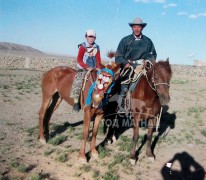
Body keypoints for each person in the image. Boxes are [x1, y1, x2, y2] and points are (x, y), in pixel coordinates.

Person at [115, 17, 157, 112]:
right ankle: (121, 105)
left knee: (155, 81)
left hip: (143, 66)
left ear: (142, 28)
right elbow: (118, 56)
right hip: (129, 66)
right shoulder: (125, 40)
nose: (137, 29)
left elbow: (153, 54)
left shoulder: (148, 41)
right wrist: (125, 63)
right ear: (132, 28)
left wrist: (148, 60)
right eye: (135, 27)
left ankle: (155, 103)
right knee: (125, 81)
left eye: (139, 27)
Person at [72, 29, 102, 112]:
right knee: (78, 81)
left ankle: (99, 101)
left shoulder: (97, 47)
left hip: (94, 69)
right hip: (83, 68)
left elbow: (98, 59)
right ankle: (76, 102)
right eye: (90, 37)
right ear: (86, 37)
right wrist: (86, 67)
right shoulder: (83, 46)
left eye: (93, 37)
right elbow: (79, 59)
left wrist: (99, 67)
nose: (91, 38)